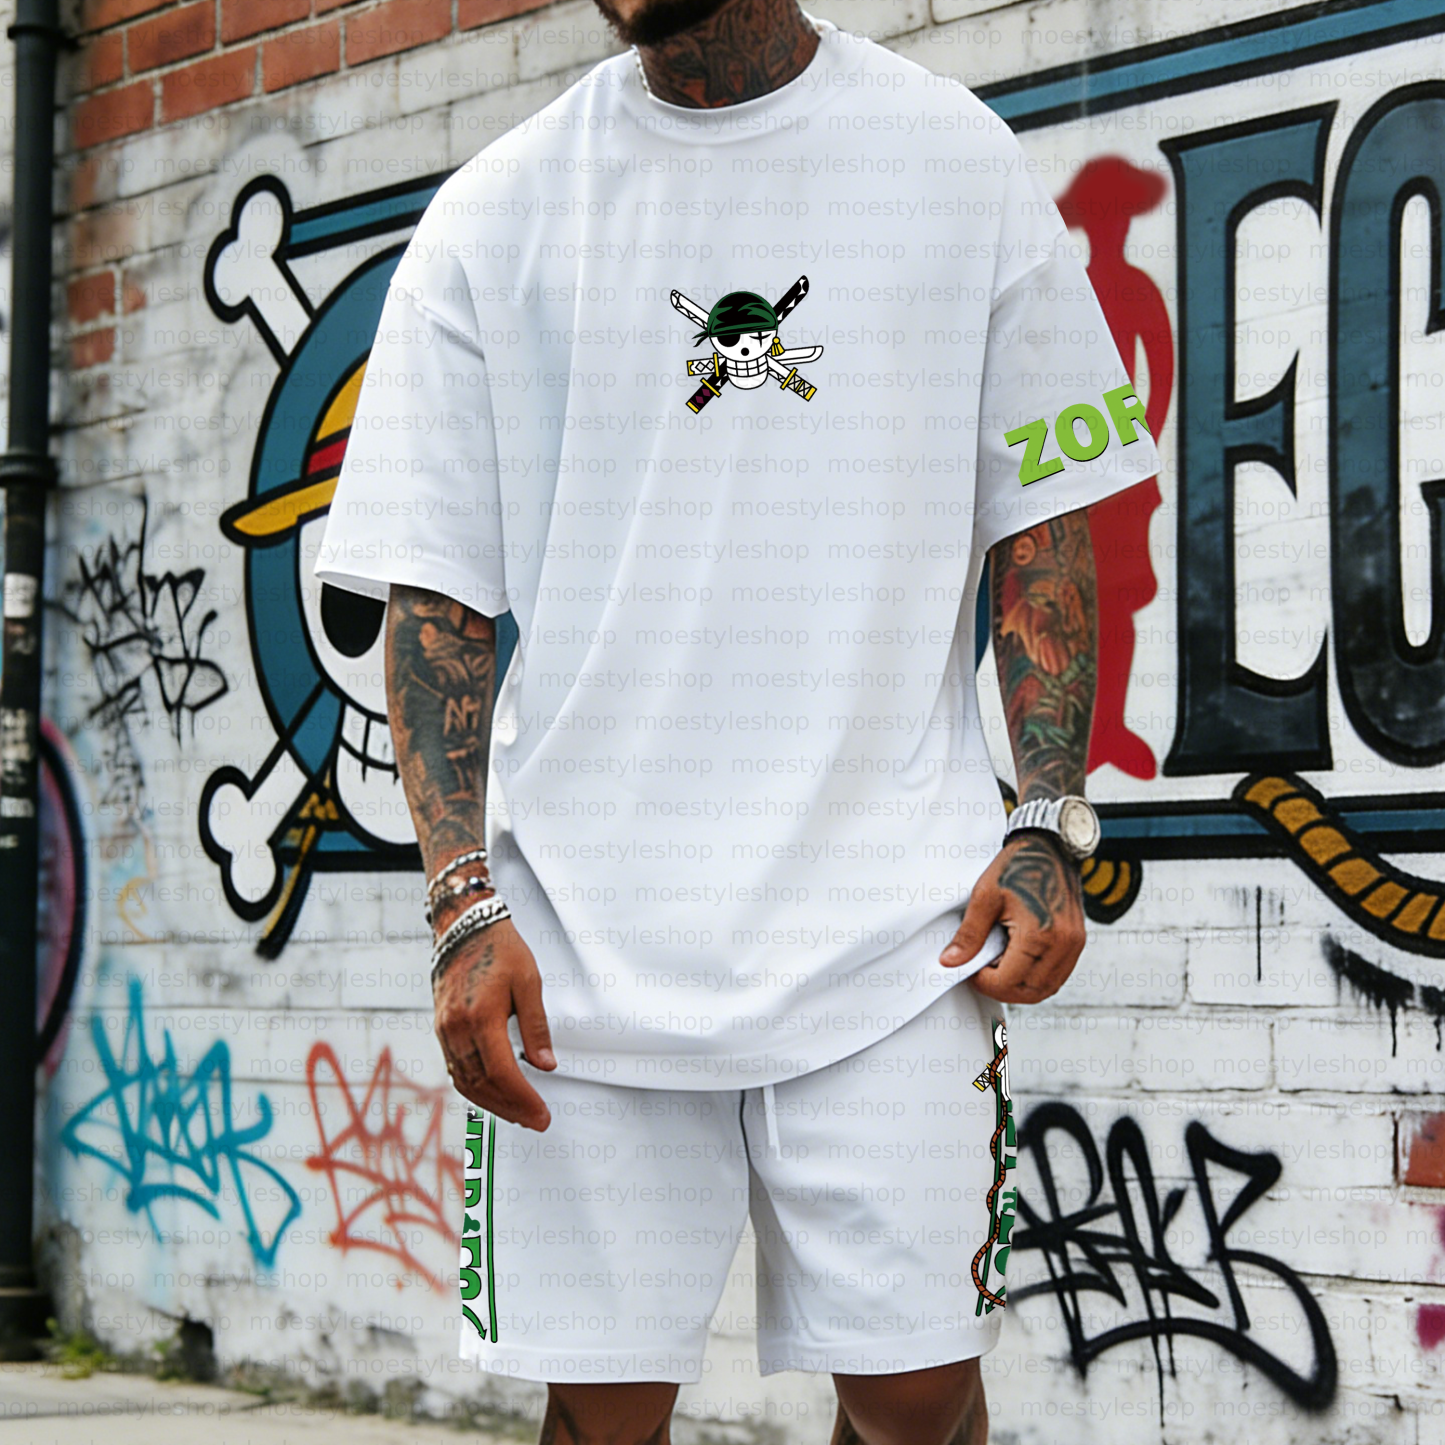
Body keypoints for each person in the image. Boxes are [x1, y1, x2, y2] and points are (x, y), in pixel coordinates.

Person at [313, 0, 1162, 1438]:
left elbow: (1045, 527)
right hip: (581, 956)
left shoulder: (952, 162)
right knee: (603, 1416)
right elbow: (436, 601)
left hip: (897, 938)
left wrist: (1043, 821)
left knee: (916, 1401)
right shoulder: (495, 214)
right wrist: (460, 904)